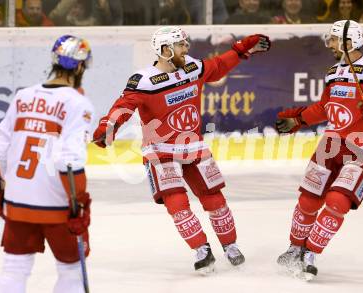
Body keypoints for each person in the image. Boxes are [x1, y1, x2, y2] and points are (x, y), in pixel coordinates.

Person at [93, 26, 270, 273]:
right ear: (166, 50)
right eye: (181, 45)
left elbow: (218, 66)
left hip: (193, 145)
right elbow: (123, 106)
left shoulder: (192, 68)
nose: (187, 49)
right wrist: (107, 127)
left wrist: (241, 50)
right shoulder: (143, 81)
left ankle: (230, 245)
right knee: (177, 203)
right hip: (160, 150)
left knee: (215, 200)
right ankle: (201, 249)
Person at [275, 20, 363, 279]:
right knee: (307, 198)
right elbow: (325, 107)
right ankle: (295, 248)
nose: (329, 44)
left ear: (348, 42)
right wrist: (299, 119)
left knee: (336, 201)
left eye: (333, 39)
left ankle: (310, 253)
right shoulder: (334, 70)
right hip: (332, 143)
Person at [0, 35, 94, 292]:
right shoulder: (77, 103)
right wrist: (78, 200)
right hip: (57, 203)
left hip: (18, 201)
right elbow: (69, 160)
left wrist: (7, 184)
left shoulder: (23, 96)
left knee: (14, 269)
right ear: (80, 66)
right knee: (70, 272)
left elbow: (0, 147)